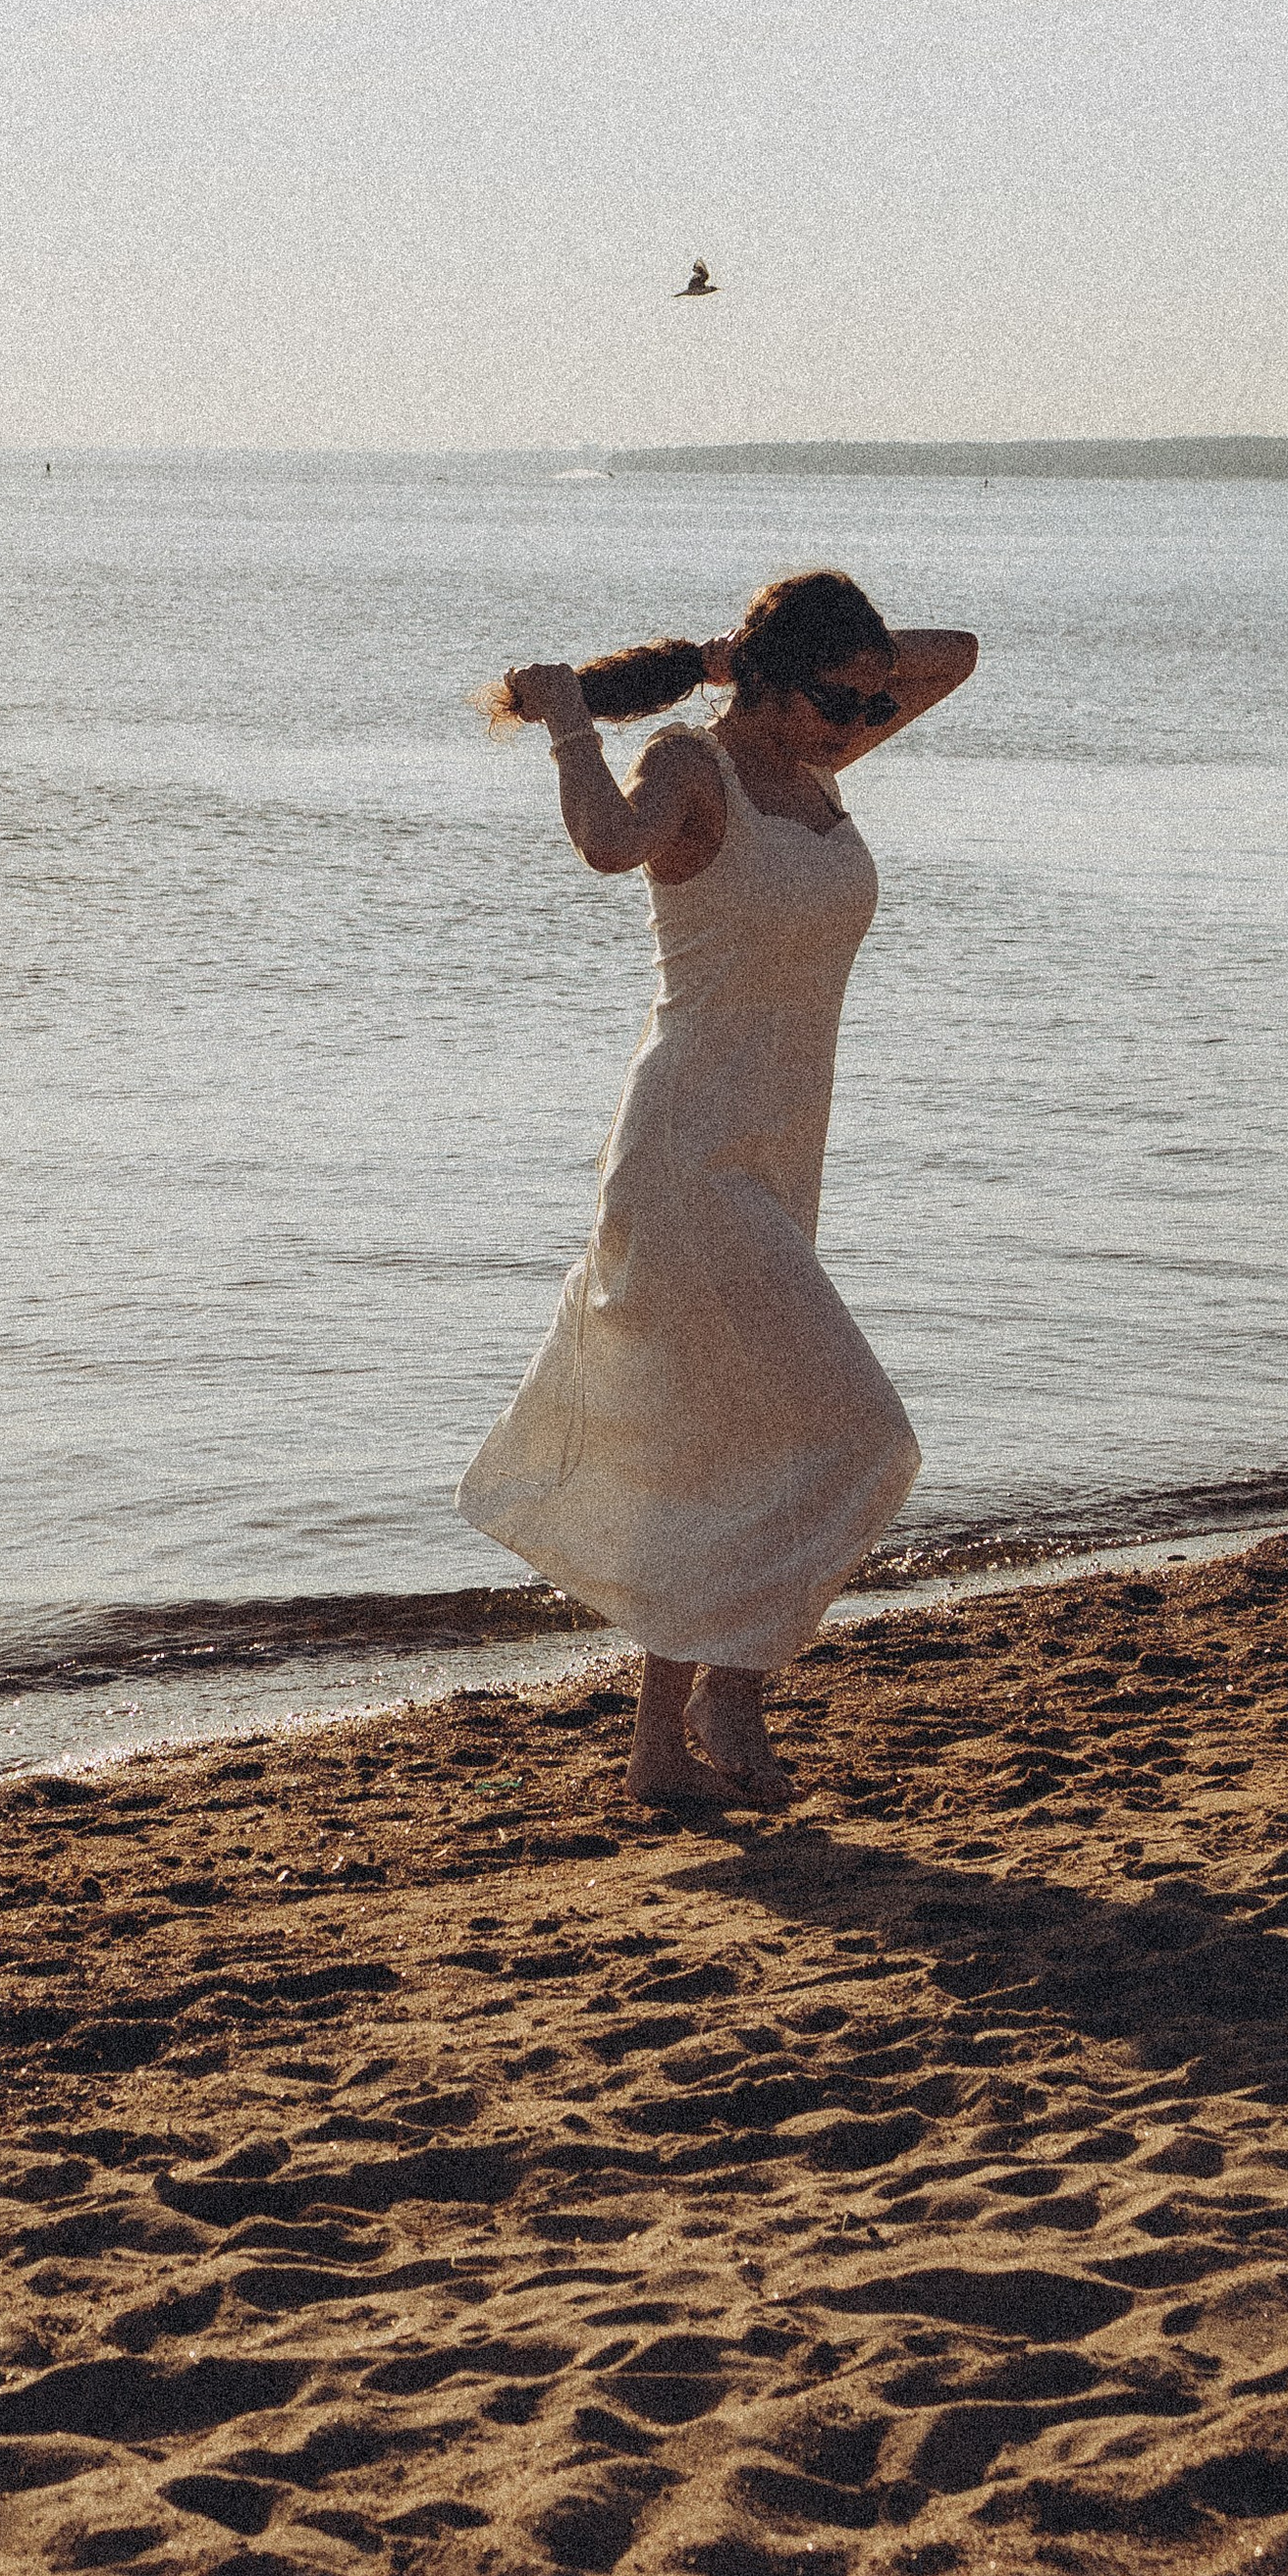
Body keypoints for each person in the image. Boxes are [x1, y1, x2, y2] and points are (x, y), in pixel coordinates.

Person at [460, 569, 978, 1809]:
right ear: (780, 685)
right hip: (688, 1156)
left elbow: (954, 650)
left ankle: (657, 1752)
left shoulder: (816, 760)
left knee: (714, 1447)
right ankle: (732, 1687)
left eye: (870, 704)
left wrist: (736, 658)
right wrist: (575, 721)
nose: (861, 722)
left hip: (779, 1150)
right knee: (864, 1436)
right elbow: (606, 847)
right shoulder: (695, 769)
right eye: (839, 700)